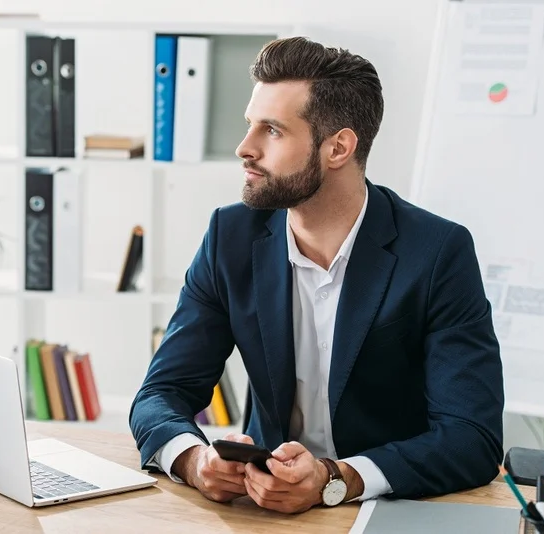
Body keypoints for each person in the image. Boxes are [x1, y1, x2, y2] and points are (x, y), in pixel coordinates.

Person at [129, 36, 504, 514]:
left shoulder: (436, 253)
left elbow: (472, 436)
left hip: (388, 507)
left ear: (338, 148)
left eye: (273, 131)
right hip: (266, 509)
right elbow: (161, 393)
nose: (245, 148)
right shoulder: (231, 236)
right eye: (250, 126)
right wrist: (193, 459)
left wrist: (338, 478)